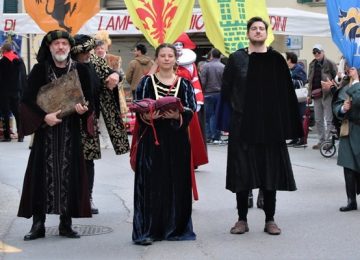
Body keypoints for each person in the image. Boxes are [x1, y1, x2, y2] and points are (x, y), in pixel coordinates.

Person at [222, 17, 303, 235]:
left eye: (261, 29)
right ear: (248, 33)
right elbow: (226, 90)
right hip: (242, 124)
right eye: (254, 29)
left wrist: (288, 127)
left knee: (270, 172)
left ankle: (270, 219)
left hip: (270, 126)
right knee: (242, 172)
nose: (258, 31)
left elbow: (286, 96)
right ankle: (241, 219)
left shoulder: (276, 60)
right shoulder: (236, 58)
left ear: (266, 34)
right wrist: (231, 117)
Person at [17, 30, 94, 240]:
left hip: (71, 132)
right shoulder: (39, 70)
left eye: (64, 44)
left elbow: (90, 100)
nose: (60, 47)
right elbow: (27, 100)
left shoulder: (81, 70)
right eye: (56, 44)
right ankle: (38, 224)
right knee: (40, 177)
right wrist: (44, 118)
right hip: (45, 135)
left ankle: (66, 224)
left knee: (70, 176)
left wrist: (83, 110)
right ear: (49, 48)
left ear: (69, 47)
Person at [132, 43, 197, 245]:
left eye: (170, 55)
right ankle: (148, 230)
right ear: (157, 59)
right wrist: (150, 114)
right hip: (152, 139)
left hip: (177, 141)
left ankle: (176, 228)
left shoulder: (184, 84)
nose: (167, 59)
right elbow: (138, 105)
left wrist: (178, 113)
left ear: (175, 59)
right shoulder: (146, 82)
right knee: (151, 184)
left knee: (177, 183)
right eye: (163, 55)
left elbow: (192, 108)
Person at [71, 34, 129, 215]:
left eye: (90, 50)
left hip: (90, 120)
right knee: (68, 160)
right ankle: (67, 199)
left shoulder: (95, 61)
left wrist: (115, 75)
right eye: (85, 52)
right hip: (67, 121)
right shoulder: (66, 64)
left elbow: (116, 74)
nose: (89, 54)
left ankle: (87, 198)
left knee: (88, 160)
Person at [332, 66, 360, 212]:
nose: (350, 70)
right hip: (348, 129)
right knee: (348, 166)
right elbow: (336, 107)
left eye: (353, 68)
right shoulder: (345, 87)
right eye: (350, 68)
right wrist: (343, 108)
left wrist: (356, 84)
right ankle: (351, 200)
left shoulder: (354, 86)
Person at [307, 44, 337, 149]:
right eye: (314, 52)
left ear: (323, 52)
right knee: (318, 120)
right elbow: (310, 80)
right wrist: (308, 95)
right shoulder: (312, 64)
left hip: (327, 94)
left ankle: (328, 143)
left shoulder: (330, 63)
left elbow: (337, 78)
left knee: (329, 119)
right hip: (316, 95)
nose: (316, 54)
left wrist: (332, 88)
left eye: (318, 52)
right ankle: (321, 141)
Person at [0, 42, 26, 142]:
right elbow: (23, 76)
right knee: (17, 112)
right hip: (16, 91)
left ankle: (7, 136)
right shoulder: (19, 60)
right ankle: (21, 135)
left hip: (4, 91)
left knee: (5, 113)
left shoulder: (2, 62)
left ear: (4, 50)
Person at [200, 48, 225, 144]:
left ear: (211, 55)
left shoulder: (206, 66)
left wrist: (202, 91)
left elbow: (203, 81)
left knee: (208, 116)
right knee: (217, 115)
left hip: (207, 93)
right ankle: (216, 136)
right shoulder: (223, 66)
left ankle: (208, 136)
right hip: (219, 94)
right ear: (220, 56)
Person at [286, 52, 308, 147]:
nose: (286, 61)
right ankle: (294, 138)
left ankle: (302, 139)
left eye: (286, 59)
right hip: (291, 97)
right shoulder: (290, 69)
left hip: (299, 98)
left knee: (299, 117)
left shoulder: (299, 69)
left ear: (290, 60)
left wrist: (290, 81)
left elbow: (302, 82)